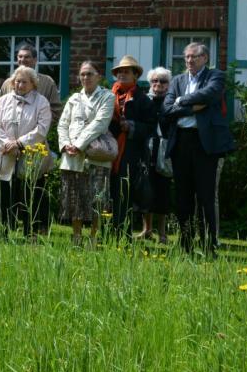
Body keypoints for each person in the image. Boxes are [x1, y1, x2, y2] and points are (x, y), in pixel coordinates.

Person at [163, 42, 235, 254]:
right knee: (183, 196)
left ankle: (208, 244)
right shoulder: (177, 80)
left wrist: (181, 101)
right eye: (186, 57)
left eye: (194, 57)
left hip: (205, 143)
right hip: (181, 142)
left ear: (205, 58)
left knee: (205, 196)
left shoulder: (216, 76)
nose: (189, 61)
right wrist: (190, 108)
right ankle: (185, 243)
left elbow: (209, 95)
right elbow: (166, 110)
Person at [0, 44, 62, 232]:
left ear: (35, 59)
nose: (23, 60)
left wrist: (36, 132)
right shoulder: (9, 82)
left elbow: (55, 109)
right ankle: (7, 227)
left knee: (34, 186)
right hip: (9, 146)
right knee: (10, 187)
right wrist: (8, 142)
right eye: (19, 57)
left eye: (27, 57)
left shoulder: (46, 82)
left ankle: (35, 227)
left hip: (35, 145)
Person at [0, 66, 52, 238]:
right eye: (17, 81)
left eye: (25, 82)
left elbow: (42, 129)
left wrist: (20, 143)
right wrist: (7, 144)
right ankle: (3, 232)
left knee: (30, 194)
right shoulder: (3, 100)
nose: (20, 85)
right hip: (6, 153)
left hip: (31, 154)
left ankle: (30, 232)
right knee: (5, 194)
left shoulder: (42, 102)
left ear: (33, 84)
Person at [58, 61, 114, 247]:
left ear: (99, 76)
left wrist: (79, 145)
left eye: (90, 74)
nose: (85, 77)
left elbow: (100, 123)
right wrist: (66, 144)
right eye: (82, 74)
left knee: (96, 197)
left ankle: (93, 237)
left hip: (95, 154)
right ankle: (76, 236)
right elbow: (62, 124)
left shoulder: (107, 96)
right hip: (72, 155)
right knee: (74, 197)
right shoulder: (74, 98)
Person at [107, 55, 156, 238]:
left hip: (131, 152)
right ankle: (107, 233)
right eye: (120, 71)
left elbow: (151, 126)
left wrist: (132, 126)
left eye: (127, 71)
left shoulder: (143, 100)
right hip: (108, 149)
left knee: (124, 193)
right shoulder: (108, 95)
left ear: (135, 75)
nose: (122, 74)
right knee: (108, 193)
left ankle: (123, 235)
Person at [139, 67, 175, 242]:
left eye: (162, 81)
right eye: (155, 81)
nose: (158, 84)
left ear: (168, 84)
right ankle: (147, 229)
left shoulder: (172, 101)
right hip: (147, 150)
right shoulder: (144, 101)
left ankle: (162, 233)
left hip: (165, 152)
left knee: (163, 192)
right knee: (146, 191)